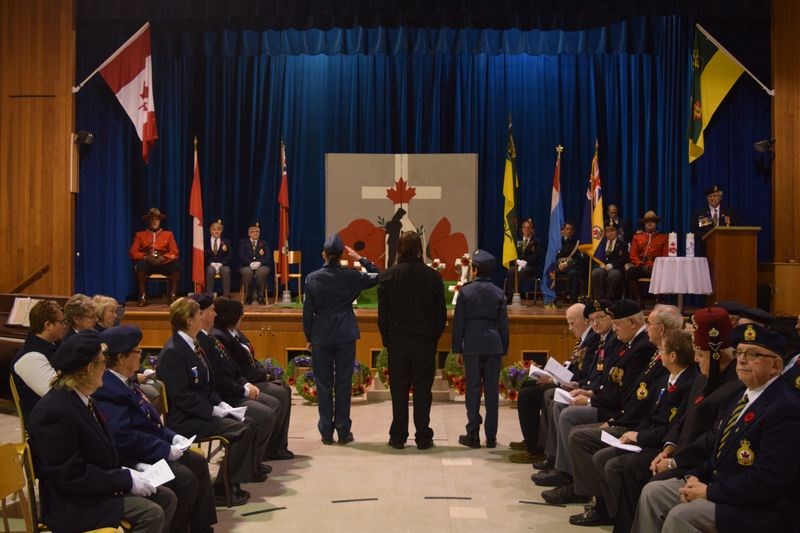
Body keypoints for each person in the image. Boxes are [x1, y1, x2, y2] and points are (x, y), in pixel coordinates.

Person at [633, 323, 800, 533]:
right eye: (739, 352)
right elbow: (717, 454)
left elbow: (768, 480)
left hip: (759, 507)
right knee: (654, 492)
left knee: (681, 516)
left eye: (753, 354)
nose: (742, 359)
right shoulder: (741, 396)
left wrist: (710, 492)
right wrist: (696, 476)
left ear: (776, 366)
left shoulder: (784, 407)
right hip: (722, 487)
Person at [28, 331, 176, 533]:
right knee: (151, 513)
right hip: (72, 503)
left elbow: (101, 451)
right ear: (89, 369)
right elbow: (70, 475)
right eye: (102, 363)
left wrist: (132, 468)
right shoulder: (55, 412)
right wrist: (125, 479)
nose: (106, 368)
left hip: (94, 489)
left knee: (166, 496)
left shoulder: (84, 398)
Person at [610, 306, 741, 533]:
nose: (697, 360)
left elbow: (714, 436)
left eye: (701, 355)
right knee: (640, 475)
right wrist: (669, 447)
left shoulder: (735, 386)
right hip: (682, 453)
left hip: (700, 463)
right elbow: (682, 419)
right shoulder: (703, 378)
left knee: (649, 483)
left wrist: (676, 462)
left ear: (717, 353)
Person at [566, 327, 698, 527]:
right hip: (647, 435)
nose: (658, 354)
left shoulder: (689, 383)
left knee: (616, 464)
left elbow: (673, 427)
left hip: (660, 444)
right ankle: (616, 514)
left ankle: (626, 520)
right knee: (603, 458)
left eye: (662, 350)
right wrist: (634, 434)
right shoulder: (665, 379)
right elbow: (651, 415)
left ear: (673, 355)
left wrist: (640, 436)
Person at [94, 325, 217, 533]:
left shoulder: (124, 382)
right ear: (122, 358)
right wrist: (165, 449)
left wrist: (173, 436)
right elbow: (124, 438)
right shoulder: (109, 389)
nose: (141, 355)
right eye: (137, 351)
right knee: (184, 479)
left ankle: (200, 527)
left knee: (196, 461)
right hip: (135, 457)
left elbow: (151, 421)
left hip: (151, 448)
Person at [535, 300, 655, 505]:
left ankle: (570, 478)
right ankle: (560, 466)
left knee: (568, 415)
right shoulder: (627, 343)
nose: (614, 328)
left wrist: (591, 399)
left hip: (616, 410)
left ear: (632, 323)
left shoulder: (640, 347)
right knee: (556, 401)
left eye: (613, 322)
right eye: (593, 320)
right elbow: (609, 380)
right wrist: (589, 392)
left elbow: (623, 391)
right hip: (610, 403)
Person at [156, 297, 262, 506]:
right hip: (187, 419)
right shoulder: (174, 352)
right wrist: (212, 410)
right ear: (188, 320)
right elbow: (182, 397)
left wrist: (221, 405)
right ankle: (222, 487)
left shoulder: (193, 344)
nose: (205, 317)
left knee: (247, 422)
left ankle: (230, 481)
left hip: (203, 410)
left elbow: (208, 382)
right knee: (242, 429)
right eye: (198, 315)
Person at [303, 234, 380, 444]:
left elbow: (308, 312)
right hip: (345, 333)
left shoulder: (312, 278)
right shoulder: (351, 275)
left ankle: (326, 433)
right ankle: (343, 431)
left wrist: (309, 336)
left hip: (321, 334)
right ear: (341, 256)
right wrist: (361, 259)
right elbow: (377, 275)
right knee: (344, 383)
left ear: (324, 255)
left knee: (323, 384)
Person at [377, 231, 447, 450]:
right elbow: (440, 315)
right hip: (424, 342)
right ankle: (423, 436)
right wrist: (432, 339)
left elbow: (383, 316)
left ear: (398, 250)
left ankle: (398, 436)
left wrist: (387, 341)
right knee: (422, 391)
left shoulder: (388, 276)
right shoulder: (433, 276)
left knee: (398, 391)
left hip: (397, 341)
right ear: (419, 250)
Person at [190, 295, 273, 480]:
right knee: (263, 413)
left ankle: (249, 467)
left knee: (266, 408)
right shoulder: (201, 341)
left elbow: (230, 367)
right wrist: (221, 405)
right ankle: (235, 478)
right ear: (200, 315)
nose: (215, 314)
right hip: (222, 399)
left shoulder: (208, 338)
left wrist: (246, 384)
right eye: (211, 310)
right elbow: (214, 381)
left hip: (223, 396)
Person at [509, 302, 600, 464]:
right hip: (572, 381)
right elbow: (574, 366)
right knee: (528, 385)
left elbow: (582, 373)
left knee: (532, 394)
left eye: (572, 323)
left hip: (578, 385)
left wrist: (554, 379)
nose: (570, 328)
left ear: (585, 321)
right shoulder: (585, 338)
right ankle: (534, 439)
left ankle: (536, 448)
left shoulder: (593, 339)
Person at [212, 297, 294, 460]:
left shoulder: (236, 334)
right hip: (241, 384)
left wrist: (265, 372)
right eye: (240, 316)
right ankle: (267, 449)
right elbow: (237, 369)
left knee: (284, 389)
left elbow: (250, 360)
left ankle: (277, 445)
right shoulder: (220, 337)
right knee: (279, 395)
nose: (243, 318)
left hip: (248, 379)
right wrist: (264, 376)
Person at [451, 249, 509, 449]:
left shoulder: (466, 291)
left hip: (473, 344)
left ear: (474, 270)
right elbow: (504, 325)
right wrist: (504, 348)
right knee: (492, 391)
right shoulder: (499, 292)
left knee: (473, 389)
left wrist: (457, 348)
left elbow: (459, 324)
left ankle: (472, 433)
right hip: (493, 344)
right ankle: (491, 437)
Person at [10, 300, 67, 425]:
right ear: (48, 325)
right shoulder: (30, 358)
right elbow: (56, 393)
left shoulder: (54, 344)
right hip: (44, 423)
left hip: (58, 413)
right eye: (61, 322)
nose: (64, 326)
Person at [129, 207, 181, 307]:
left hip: (163, 263)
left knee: (176, 264)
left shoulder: (168, 234)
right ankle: (143, 296)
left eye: (157, 219)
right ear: (148, 221)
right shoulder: (140, 235)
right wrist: (145, 256)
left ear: (160, 221)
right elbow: (132, 252)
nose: (154, 222)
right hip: (148, 264)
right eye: (152, 219)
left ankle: (172, 296)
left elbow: (175, 252)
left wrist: (164, 258)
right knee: (140, 265)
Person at [625, 211, 668, 307]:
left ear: (656, 223)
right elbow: (633, 255)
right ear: (644, 223)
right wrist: (641, 264)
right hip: (641, 266)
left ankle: (657, 298)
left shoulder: (664, 237)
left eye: (652, 221)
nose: (649, 223)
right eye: (647, 221)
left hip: (657, 267)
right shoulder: (637, 237)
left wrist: (655, 266)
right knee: (631, 272)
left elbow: (665, 256)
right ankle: (639, 298)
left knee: (664, 271)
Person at [507, 218, 542, 302]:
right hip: (518, 264)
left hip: (530, 266)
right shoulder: (517, 240)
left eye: (528, 228)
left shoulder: (536, 241)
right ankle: (510, 294)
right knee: (511, 271)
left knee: (523, 272)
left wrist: (526, 262)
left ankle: (515, 294)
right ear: (522, 229)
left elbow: (536, 255)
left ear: (532, 229)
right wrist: (517, 261)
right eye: (525, 228)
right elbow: (513, 253)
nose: (526, 229)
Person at [590, 221, 627, 300]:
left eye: (612, 231)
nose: (610, 233)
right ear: (605, 233)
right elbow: (596, 256)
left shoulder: (622, 244)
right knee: (596, 272)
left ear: (617, 232)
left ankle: (609, 298)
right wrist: (600, 264)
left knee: (614, 275)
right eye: (608, 231)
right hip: (602, 266)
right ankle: (599, 300)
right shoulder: (600, 244)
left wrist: (611, 265)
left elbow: (623, 258)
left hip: (615, 268)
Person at [238, 221, 270, 304]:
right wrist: (250, 263)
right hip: (246, 265)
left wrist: (259, 263)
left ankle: (260, 296)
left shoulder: (264, 243)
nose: (255, 233)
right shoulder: (243, 243)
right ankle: (249, 296)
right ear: (249, 233)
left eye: (257, 232)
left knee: (262, 272)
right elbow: (241, 256)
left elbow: (267, 257)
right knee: (247, 272)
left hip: (261, 266)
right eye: (253, 232)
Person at [553, 221, 586, 302]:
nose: (569, 231)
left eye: (571, 229)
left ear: (574, 231)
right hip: (559, 265)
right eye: (567, 229)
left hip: (571, 266)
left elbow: (579, 259)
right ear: (563, 230)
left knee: (574, 273)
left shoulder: (577, 243)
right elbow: (553, 256)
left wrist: (567, 264)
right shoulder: (558, 242)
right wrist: (558, 264)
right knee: (552, 272)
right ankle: (553, 296)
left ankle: (572, 297)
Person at [205, 219, 232, 297]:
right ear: (210, 231)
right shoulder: (205, 242)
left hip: (222, 265)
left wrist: (221, 263)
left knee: (226, 271)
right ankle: (209, 296)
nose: (216, 231)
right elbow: (203, 256)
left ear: (221, 231)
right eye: (214, 229)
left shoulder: (226, 242)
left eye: (219, 230)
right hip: (211, 264)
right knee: (210, 271)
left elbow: (229, 255)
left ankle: (226, 295)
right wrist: (211, 263)